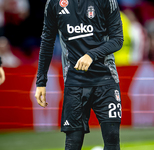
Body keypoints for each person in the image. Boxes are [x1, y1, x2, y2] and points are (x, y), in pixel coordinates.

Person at [35, 0, 123, 150]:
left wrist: (91, 55)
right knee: (73, 143)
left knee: (112, 139)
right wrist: (41, 82)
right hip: (74, 82)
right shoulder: (54, 3)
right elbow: (47, 41)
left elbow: (117, 40)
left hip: (106, 79)